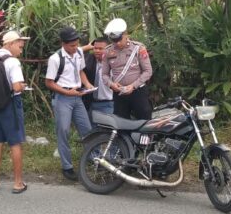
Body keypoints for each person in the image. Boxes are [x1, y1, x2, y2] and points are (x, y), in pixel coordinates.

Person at [44, 26, 94, 181]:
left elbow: (80, 71)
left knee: (87, 129)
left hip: (78, 96)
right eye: (72, 46)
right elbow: (49, 83)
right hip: (63, 97)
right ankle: (67, 166)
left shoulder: (78, 52)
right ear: (63, 44)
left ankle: (94, 158)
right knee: (63, 131)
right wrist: (67, 92)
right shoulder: (55, 59)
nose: (75, 48)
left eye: (77, 44)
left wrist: (88, 85)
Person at [0, 31, 30, 194]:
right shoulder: (12, 62)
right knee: (15, 142)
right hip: (10, 105)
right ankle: (18, 183)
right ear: (10, 44)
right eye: (19, 46)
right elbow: (17, 86)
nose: (21, 49)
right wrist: (22, 86)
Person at [100, 18, 153, 120]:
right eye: (114, 41)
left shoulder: (138, 48)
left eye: (119, 40)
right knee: (120, 123)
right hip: (119, 93)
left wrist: (133, 86)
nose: (117, 43)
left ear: (126, 35)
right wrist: (111, 84)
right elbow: (104, 74)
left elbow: (148, 71)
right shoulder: (107, 51)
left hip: (138, 92)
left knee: (144, 121)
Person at [82, 37, 115, 123]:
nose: (97, 51)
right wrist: (87, 47)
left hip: (108, 104)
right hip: (90, 104)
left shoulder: (115, 62)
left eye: (100, 49)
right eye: (95, 48)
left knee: (106, 133)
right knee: (92, 134)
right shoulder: (89, 59)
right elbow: (69, 54)